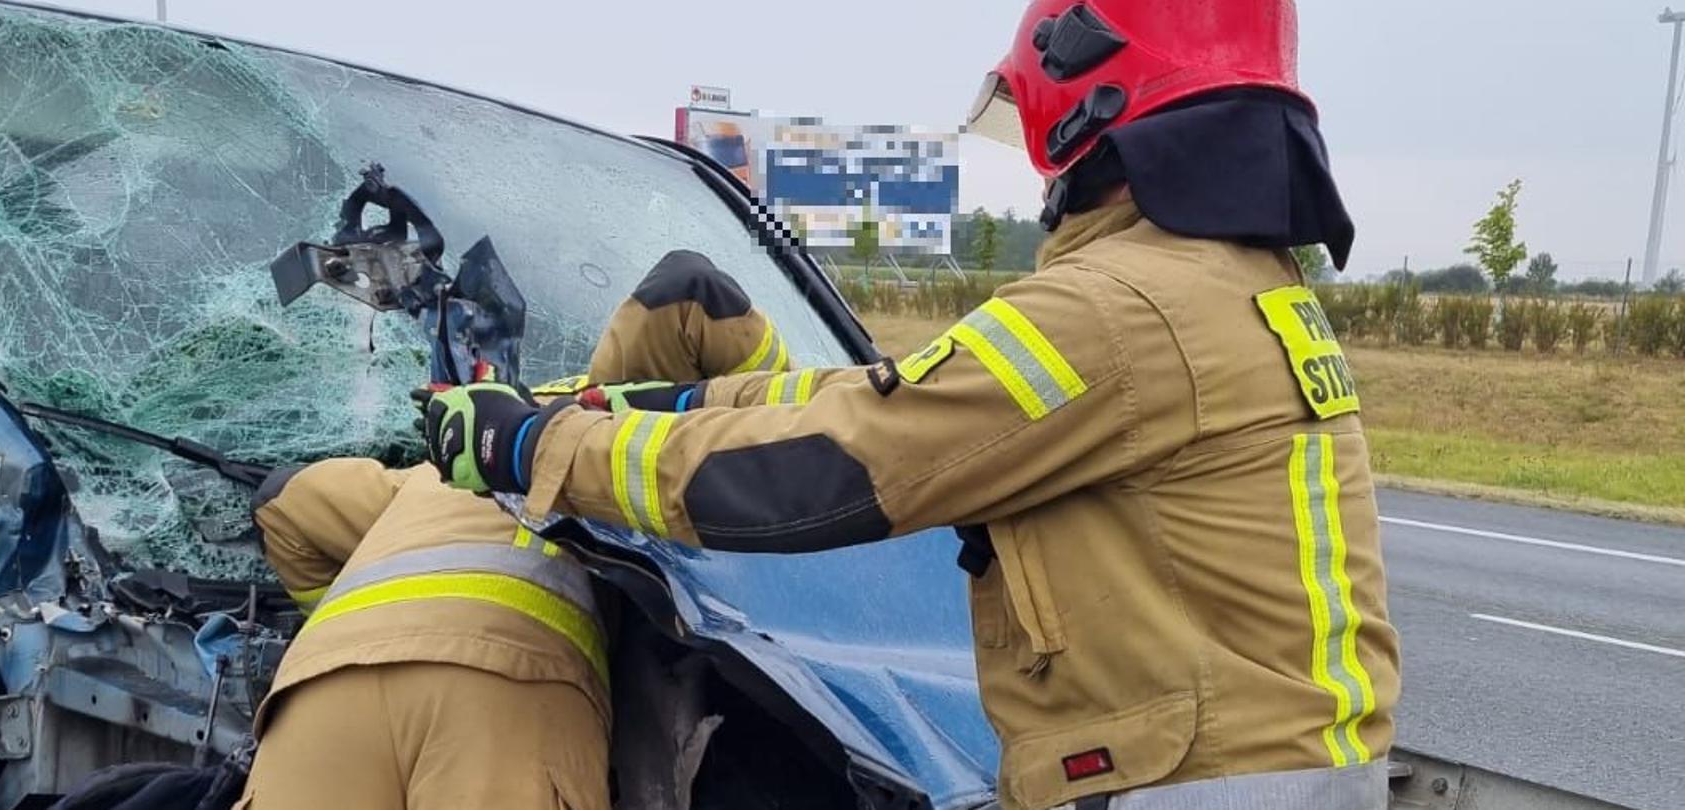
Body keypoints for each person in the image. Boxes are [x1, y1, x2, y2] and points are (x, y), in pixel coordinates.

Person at [418, 2, 1401, 808]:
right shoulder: (1221, 288)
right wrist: (683, 398)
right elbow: (900, 395)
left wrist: (535, 447)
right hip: (1264, 777)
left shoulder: (1116, 309)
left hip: (1194, 788)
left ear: (1088, 100)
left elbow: (833, 465)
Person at [236, 250, 788, 809]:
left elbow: (285, 505)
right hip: (505, 696)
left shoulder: (446, 465)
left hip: (327, 690)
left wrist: (355, 626)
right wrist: (773, 433)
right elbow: (689, 285)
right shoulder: (617, 456)